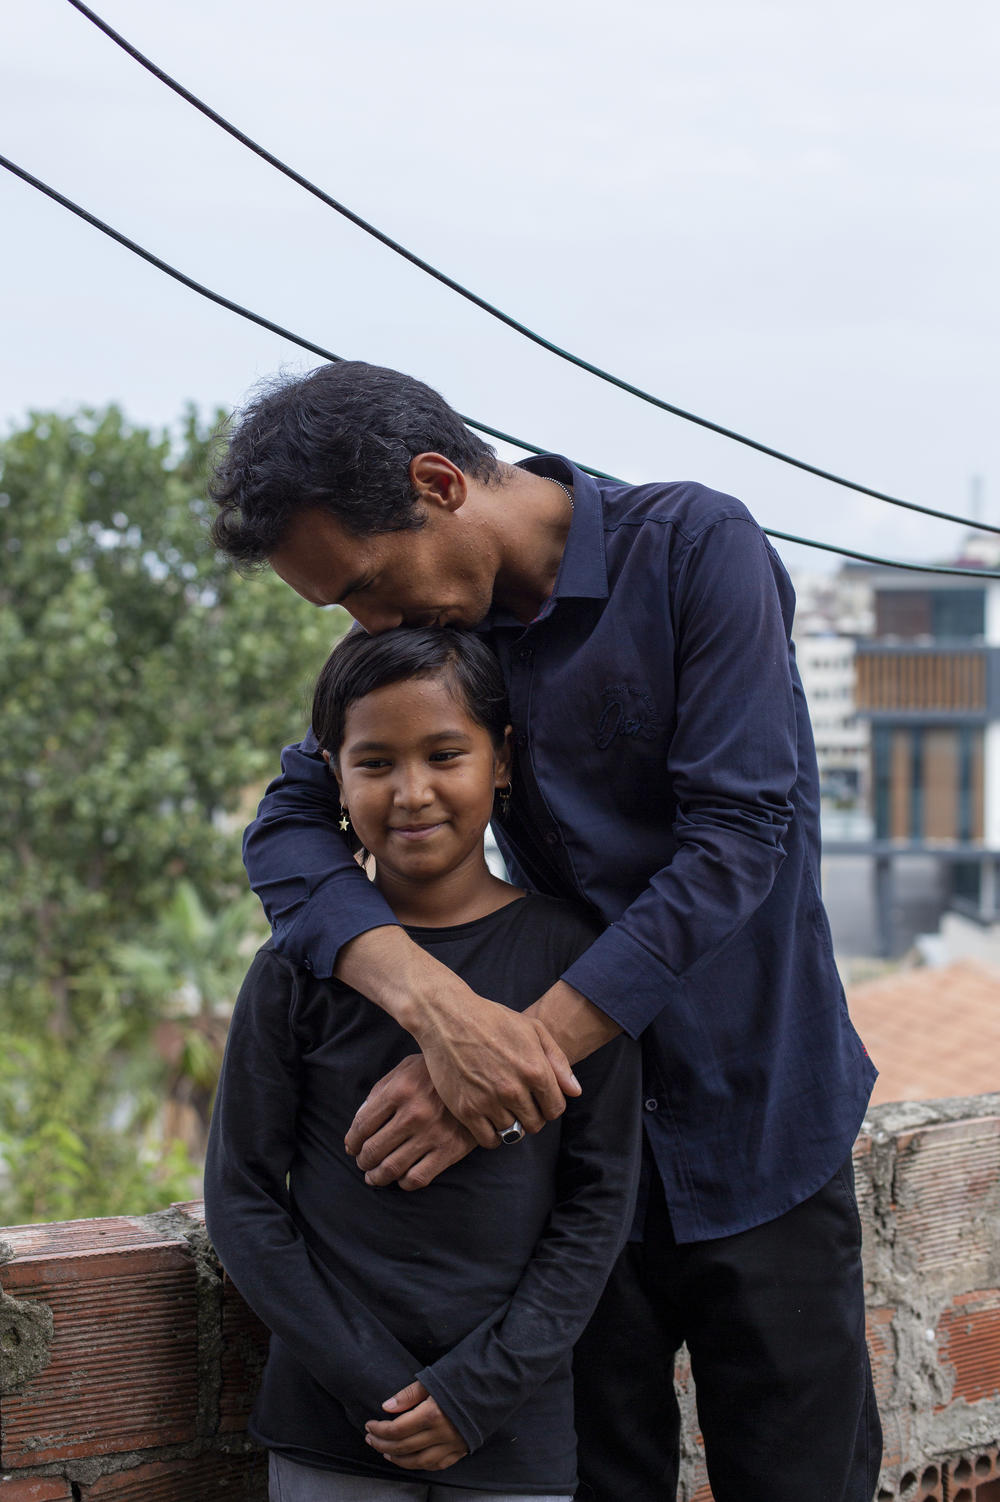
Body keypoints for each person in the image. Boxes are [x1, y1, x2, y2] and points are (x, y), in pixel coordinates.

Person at [209, 360, 883, 1502]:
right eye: (344, 614)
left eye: (368, 586)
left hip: (759, 1127)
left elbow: (735, 839)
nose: (369, 626)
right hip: (568, 1187)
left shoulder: (690, 549)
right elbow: (288, 825)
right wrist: (442, 1013)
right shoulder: (450, 650)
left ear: (438, 482)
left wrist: (509, 1050)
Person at [203, 626, 641, 1502]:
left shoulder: (576, 963)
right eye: (375, 764)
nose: (412, 793)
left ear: (503, 760)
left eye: (446, 754)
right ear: (333, 774)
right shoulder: (297, 967)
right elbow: (243, 1198)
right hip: (334, 1427)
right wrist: (380, 1388)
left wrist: (478, 1390)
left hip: (513, 1429)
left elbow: (598, 1205)